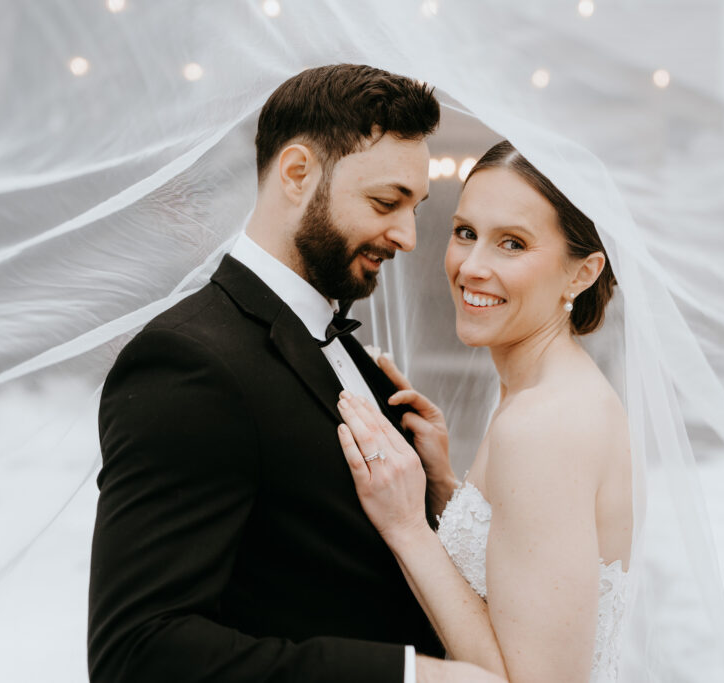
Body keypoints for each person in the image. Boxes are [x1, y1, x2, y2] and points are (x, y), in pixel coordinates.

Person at [88, 64, 504, 683]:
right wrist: (408, 677)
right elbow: (139, 653)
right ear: (297, 172)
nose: (408, 236)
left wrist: (438, 492)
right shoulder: (188, 364)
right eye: (386, 202)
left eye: (414, 208)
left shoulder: (353, 353)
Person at [336, 140, 634, 682]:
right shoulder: (552, 390)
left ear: (582, 273)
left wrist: (407, 524)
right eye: (465, 233)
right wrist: (446, 485)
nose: (471, 267)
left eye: (512, 244)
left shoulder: (544, 425)